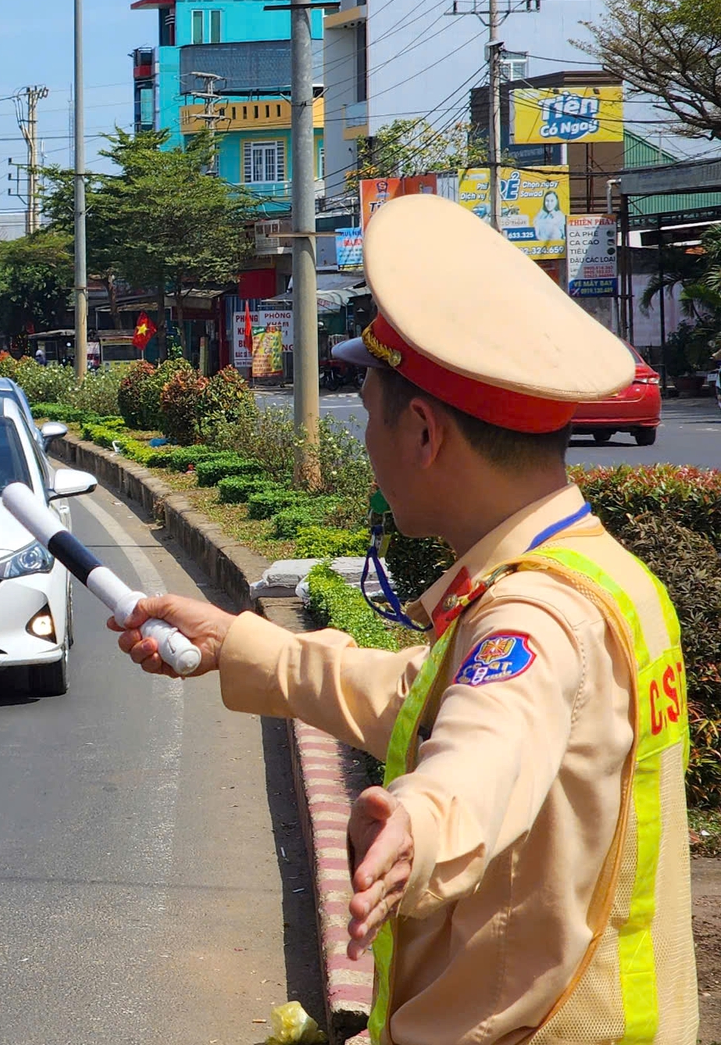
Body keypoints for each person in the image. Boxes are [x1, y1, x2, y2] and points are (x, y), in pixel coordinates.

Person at [112, 194, 694, 1044]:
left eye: (367, 406)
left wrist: (418, 824)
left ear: (422, 431)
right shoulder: (605, 572)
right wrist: (236, 642)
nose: (364, 439)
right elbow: (432, 700)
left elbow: (485, 752)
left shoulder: (529, 615)